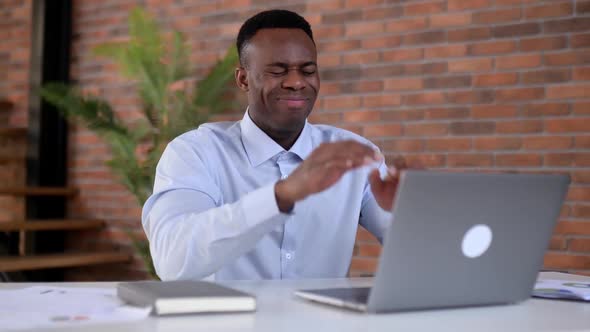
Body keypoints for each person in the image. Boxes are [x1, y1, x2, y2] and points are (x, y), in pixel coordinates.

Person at [142, 9, 403, 281]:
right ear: (243, 79)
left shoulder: (353, 155)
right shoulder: (196, 153)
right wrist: (280, 196)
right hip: (231, 323)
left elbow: (425, 254)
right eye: (278, 71)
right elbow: (173, 261)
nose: (296, 82)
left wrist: (410, 212)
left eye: (308, 70)